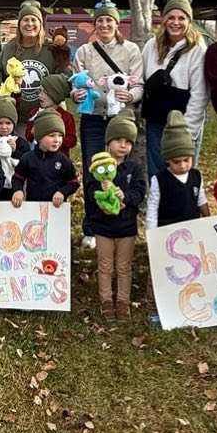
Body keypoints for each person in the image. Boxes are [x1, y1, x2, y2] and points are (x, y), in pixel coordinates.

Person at [71, 0, 144, 250]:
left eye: (109, 20)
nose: (104, 25)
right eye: (100, 20)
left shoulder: (130, 50)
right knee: (94, 169)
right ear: (95, 24)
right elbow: (76, 82)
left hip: (121, 117)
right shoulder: (84, 51)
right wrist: (76, 95)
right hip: (94, 117)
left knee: (122, 169)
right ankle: (93, 227)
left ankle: (122, 223)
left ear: (117, 23)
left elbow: (138, 83)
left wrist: (131, 95)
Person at [140, 0, 208, 176]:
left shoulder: (197, 49)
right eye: (171, 17)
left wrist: (188, 133)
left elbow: (200, 94)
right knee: (157, 175)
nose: (175, 22)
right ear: (164, 19)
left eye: (181, 18)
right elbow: (141, 79)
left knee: (182, 177)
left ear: (189, 20)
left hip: (183, 121)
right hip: (156, 120)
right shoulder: (151, 46)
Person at [86, 113, 146, 320]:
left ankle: (122, 301)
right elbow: (90, 191)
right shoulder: (97, 168)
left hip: (126, 227)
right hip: (103, 227)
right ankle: (106, 301)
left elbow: (140, 193)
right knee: (105, 265)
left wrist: (125, 196)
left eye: (128, 142)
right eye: (118, 140)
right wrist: (101, 197)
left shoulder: (134, 168)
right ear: (108, 141)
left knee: (123, 266)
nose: (123, 145)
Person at [0, 0, 60, 127]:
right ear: (19, 24)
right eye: (25, 20)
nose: (29, 24)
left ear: (40, 24)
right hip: (15, 118)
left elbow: (64, 76)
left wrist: (56, 96)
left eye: (33, 20)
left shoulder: (51, 48)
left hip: (47, 117)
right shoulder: (10, 48)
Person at [145, 112, 211, 229]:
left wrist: (208, 220)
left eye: (186, 160)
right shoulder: (159, 180)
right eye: (176, 162)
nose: (182, 165)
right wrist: (152, 233)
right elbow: (153, 208)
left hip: (193, 228)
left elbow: (201, 200)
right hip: (168, 230)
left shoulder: (196, 175)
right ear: (167, 160)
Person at [10, 112, 80, 208]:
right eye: (52, 135)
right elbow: (18, 178)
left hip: (56, 209)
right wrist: (18, 191)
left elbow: (73, 183)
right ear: (39, 137)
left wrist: (62, 192)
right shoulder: (28, 158)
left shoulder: (64, 160)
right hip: (32, 207)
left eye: (60, 135)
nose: (57, 140)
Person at [24, 75, 78, 155]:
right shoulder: (35, 113)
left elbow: (72, 141)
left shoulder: (65, 117)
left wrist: (55, 139)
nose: (40, 95)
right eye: (40, 91)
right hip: (37, 158)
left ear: (56, 96)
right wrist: (32, 132)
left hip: (59, 158)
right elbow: (28, 137)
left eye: (45, 93)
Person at [0, 96, 29, 192]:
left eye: (8, 123)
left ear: (14, 124)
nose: (4, 127)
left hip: (14, 185)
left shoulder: (21, 142)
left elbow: (26, 162)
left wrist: (15, 151)